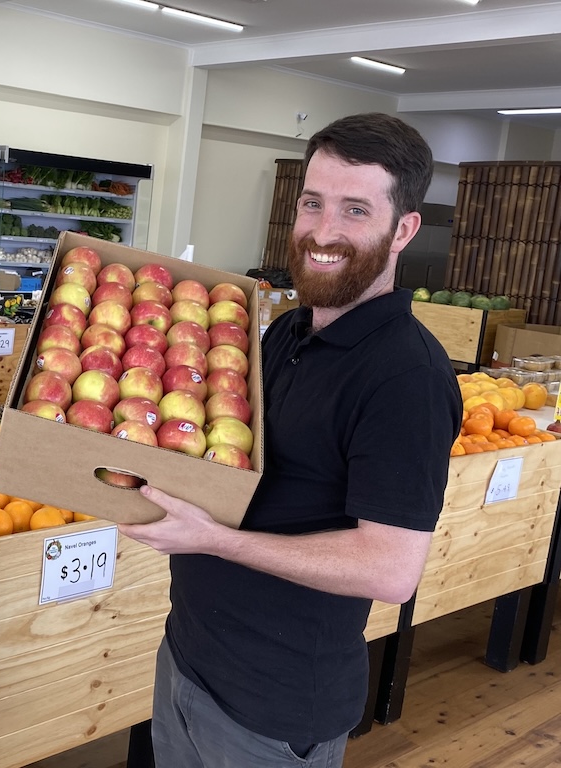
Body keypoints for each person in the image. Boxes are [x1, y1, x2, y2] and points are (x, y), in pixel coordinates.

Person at [118, 113, 463, 767]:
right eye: (313, 202)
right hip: (188, 660)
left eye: (355, 209)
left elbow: (390, 569)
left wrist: (214, 539)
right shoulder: (286, 332)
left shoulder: (407, 377)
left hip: (273, 711)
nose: (323, 231)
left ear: (404, 229)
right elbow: (240, 465)